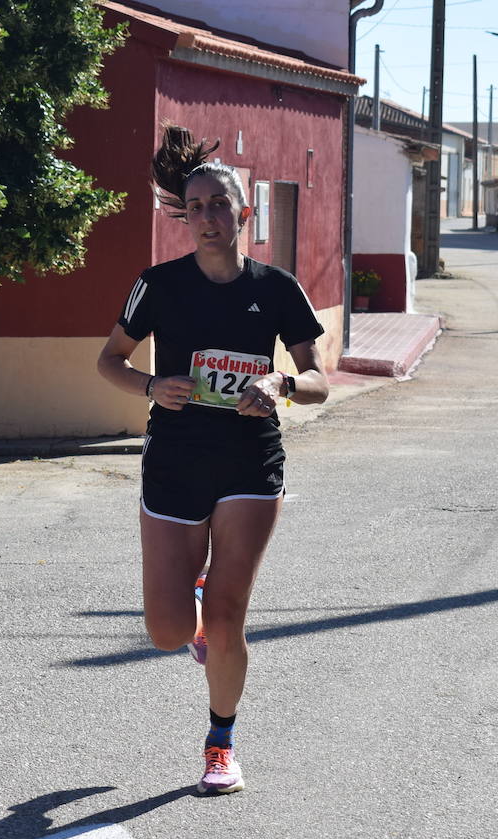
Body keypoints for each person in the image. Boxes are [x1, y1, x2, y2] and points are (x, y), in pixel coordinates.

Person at [96, 124, 328, 795]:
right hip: (174, 461)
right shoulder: (158, 286)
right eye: (195, 207)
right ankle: (190, 609)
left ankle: (220, 742)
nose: (207, 217)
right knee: (170, 631)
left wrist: (281, 383)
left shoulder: (277, 288)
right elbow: (108, 360)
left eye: (219, 205)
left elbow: (318, 380)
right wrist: (149, 385)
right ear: (184, 216)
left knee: (229, 616)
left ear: (243, 212)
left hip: (251, 462)